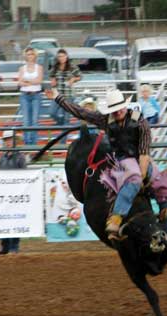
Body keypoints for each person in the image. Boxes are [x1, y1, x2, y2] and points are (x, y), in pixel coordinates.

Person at [45, 88, 151, 237]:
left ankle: (165, 215)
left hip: (140, 160)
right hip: (122, 162)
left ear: (125, 106)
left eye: (119, 108)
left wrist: (143, 173)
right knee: (134, 180)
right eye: (114, 110)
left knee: (163, 185)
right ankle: (116, 217)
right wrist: (57, 98)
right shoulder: (106, 120)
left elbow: (144, 152)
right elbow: (80, 112)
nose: (118, 112)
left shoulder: (140, 121)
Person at [0, 130, 26, 255]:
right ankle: (5, 246)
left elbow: (25, 175)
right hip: (5, 194)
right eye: (6, 140)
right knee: (4, 220)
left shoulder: (19, 157)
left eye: (10, 140)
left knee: (15, 219)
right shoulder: (3, 158)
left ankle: (14, 246)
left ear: (14, 141)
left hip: (16, 194)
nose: (8, 142)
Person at [49, 49, 81, 143]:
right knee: (52, 113)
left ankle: (62, 143)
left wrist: (73, 79)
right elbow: (51, 76)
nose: (61, 58)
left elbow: (80, 76)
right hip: (57, 95)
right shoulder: (55, 67)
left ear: (66, 57)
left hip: (68, 96)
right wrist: (53, 80)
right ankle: (60, 122)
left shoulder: (72, 67)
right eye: (59, 56)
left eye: (63, 56)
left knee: (67, 119)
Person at [18, 47, 43, 145]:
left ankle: (34, 142)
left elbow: (39, 81)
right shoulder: (22, 68)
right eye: (28, 54)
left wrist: (27, 81)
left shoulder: (39, 67)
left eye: (32, 54)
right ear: (25, 56)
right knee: (26, 120)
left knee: (35, 120)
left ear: (35, 55)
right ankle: (27, 142)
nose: (30, 56)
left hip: (36, 95)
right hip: (25, 96)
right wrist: (31, 82)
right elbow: (20, 82)